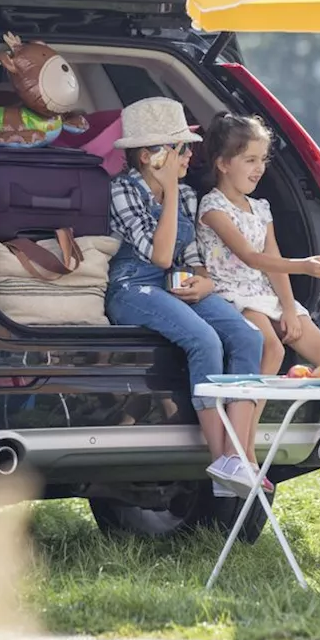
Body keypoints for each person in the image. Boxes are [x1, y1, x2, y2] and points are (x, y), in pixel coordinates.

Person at [104, 97, 265, 500]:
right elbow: (157, 255)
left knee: (248, 339)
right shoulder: (123, 190)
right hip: (132, 286)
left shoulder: (191, 195)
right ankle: (220, 462)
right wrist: (171, 193)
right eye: (180, 149)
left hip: (178, 281)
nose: (189, 156)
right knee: (205, 341)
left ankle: (237, 454)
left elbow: (191, 259)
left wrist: (205, 283)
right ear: (148, 156)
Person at [195, 112, 320, 459]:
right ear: (224, 163)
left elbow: (273, 263)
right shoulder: (213, 207)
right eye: (250, 160)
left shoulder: (261, 207)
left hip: (265, 294)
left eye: (263, 159)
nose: (259, 168)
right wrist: (304, 265)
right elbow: (250, 257)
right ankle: (244, 445)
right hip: (232, 294)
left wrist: (288, 307)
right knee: (269, 347)